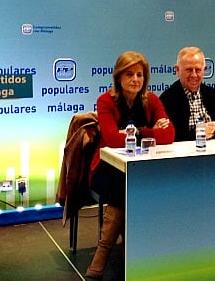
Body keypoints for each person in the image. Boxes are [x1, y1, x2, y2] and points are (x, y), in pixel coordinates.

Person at [86, 51, 174, 279]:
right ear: (119, 76)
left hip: (141, 167)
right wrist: (152, 131)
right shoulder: (105, 101)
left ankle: (125, 251)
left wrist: (137, 132)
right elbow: (113, 140)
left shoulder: (152, 100)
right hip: (106, 168)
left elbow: (170, 135)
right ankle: (107, 251)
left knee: (136, 181)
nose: (135, 79)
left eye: (140, 75)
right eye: (129, 74)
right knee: (123, 183)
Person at [159, 47, 215, 142]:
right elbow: (170, 136)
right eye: (189, 70)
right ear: (177, 70)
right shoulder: (168, 99)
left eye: (198, 70)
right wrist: (198, 133)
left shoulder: (211, 94)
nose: (194, 75)